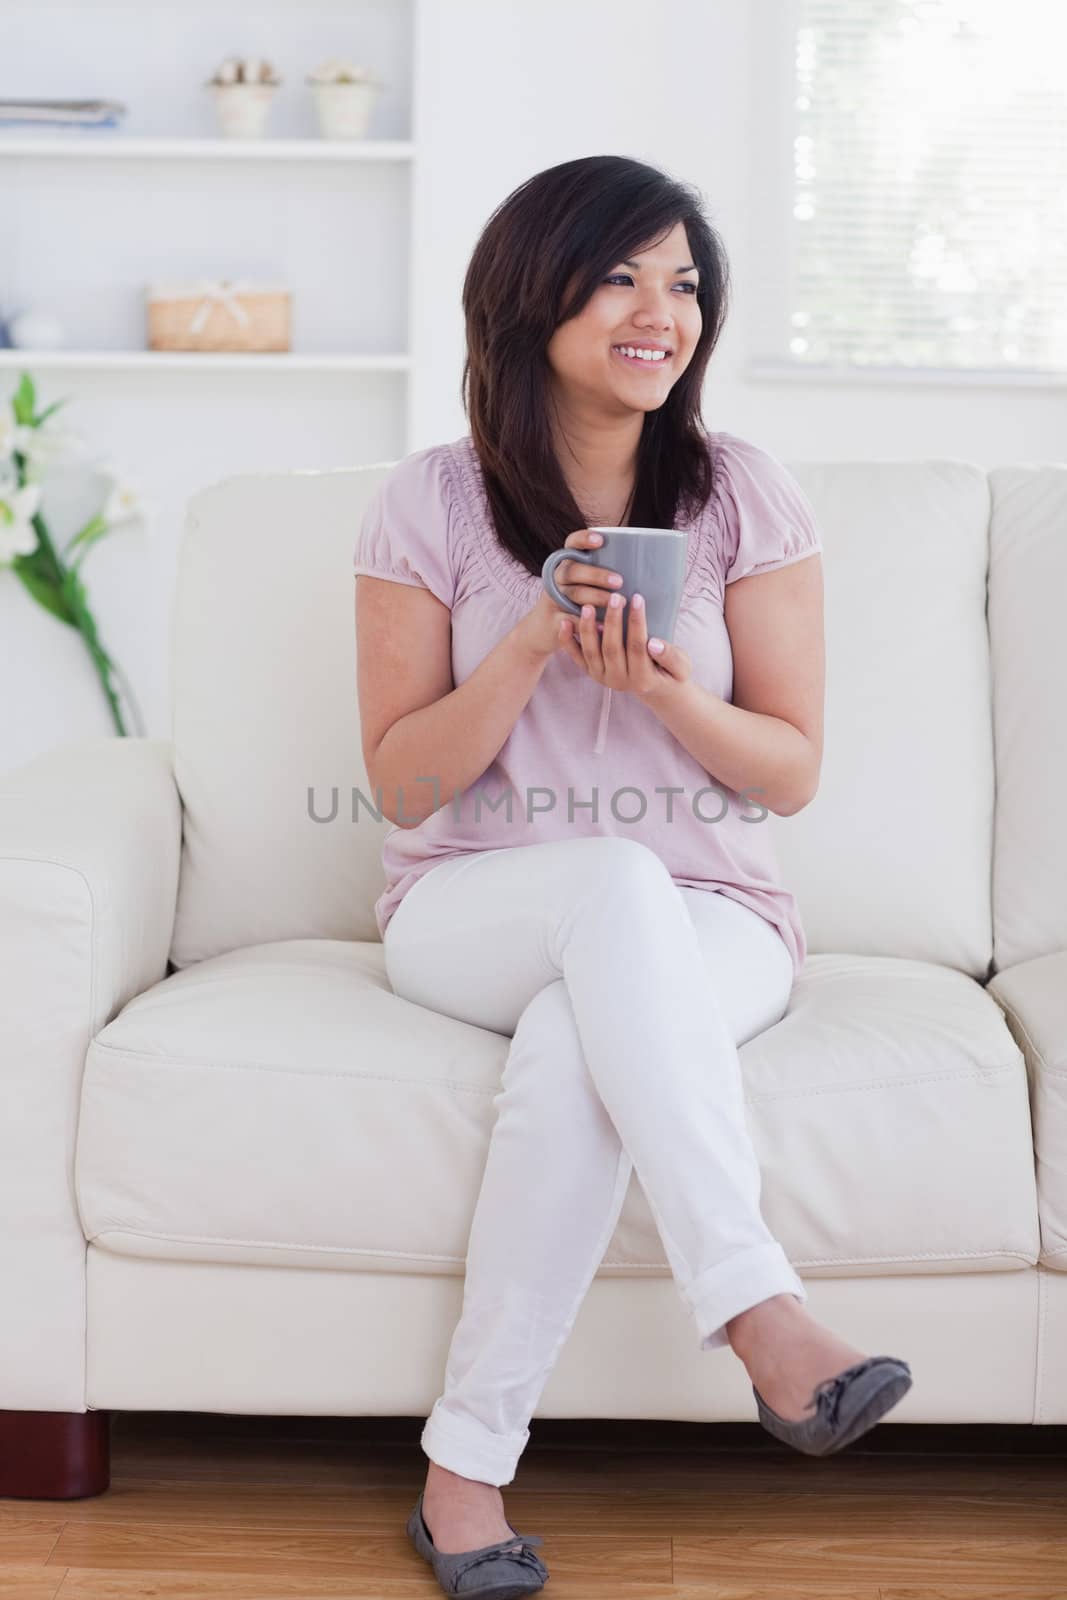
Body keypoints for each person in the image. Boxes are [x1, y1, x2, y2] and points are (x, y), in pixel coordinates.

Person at [354, 155, 911, 1595]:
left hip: (717, 912)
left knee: (575, 1042)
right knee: (603, 880)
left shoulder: (743, 497)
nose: (660, 311)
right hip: (471, 900)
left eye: (684, 284)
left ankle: (464, 1471)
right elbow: (403, 781)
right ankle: (761, 1314)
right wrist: (533, 645)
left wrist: (666, 695)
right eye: (620, 276)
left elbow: (788, 771)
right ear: (530, 295)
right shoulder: (430, 503)